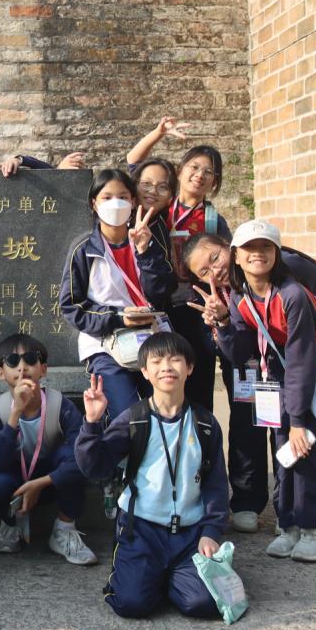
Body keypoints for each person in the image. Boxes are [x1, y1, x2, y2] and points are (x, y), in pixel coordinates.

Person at [212, 220, 316, 563]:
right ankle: (289, 526)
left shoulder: (292, 295)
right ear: (236, 256)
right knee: (284, 446)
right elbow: (240, 351)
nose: (257, 254)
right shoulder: (241, 297)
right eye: (249, 248)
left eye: (266, 247)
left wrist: (299, 420)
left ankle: (314, 530)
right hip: (281, 361)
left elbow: (303, 359)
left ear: (276, 253)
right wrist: (223, 323)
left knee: (309, 446)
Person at [74, 332, 230, 620]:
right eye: (156, 361)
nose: (166, 367)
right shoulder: (134, 419)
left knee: (204, 604)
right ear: (144, 371)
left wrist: (210, 532)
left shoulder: (205, 423)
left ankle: (169, 577)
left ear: (190, 367)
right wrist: (92, 424)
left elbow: (216, 483)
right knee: (131, 604)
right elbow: (95, 467)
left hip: (189, 534)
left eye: (175, 360)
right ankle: (151, 576)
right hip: (141, 530)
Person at [182, 230, 316, 534]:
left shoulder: (266, 272)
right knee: (245, 429)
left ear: (230, 248)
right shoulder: (210, 301)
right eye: (204, 272)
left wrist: (264, 256)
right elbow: (231, 349)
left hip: (282, 362)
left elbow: (315, 276)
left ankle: (288, 507)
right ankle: (247, 501)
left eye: (215, 258)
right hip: (245, 371)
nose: (215, 271)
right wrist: (221, 321)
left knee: (284, 431)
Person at [127, 117, 232, 411]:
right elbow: (134, 163)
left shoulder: (213, 220)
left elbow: (228, 266)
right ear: (180, 170)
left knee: (198, 376)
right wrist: (158, 132)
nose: (200, 175)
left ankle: (200, 432)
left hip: (195, 306)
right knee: (161, 375)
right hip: (158, 302)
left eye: (209, 172)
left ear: (215, 182)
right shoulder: (160, 203)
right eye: (194, 167)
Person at [59, 169, 174, 424]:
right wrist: (119, 317)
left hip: (152, 339)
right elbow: (71, 306)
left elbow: (162, 293)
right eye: (107, 197)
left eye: (123, 197)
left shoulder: (148, 242)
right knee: (126, 415)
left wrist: (145, 253)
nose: (116, 203)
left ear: (133, 201)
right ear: (94, 203)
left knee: (164, 412)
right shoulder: (84, 249)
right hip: (105, 345)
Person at [0, 334, 95, 565]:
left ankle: (64, 529)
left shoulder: (62, 406)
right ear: (1, 373)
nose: (22, 367)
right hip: (14, 483)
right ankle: (11, 523)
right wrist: (15, 414)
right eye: (12, 361)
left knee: (72, 455)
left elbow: (84, 457)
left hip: (52, 481)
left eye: (31, 359)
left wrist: (41, 483)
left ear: (43, 369)